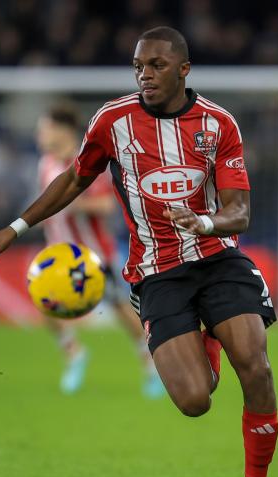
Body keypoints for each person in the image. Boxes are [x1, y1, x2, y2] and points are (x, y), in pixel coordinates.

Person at [0, 26, 278, 477]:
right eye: (139, 67)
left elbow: (239, 211)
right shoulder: (113, 121)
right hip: (157, 271)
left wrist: (204, 222)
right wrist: (15, 228)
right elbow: (74, 178)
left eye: (157, 65)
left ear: (184, 69)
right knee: (195, 400)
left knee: (257, 367)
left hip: (218, 258)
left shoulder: (218, 123)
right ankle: (209, 340)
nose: (145, 75)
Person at [36, 103, 164, 397]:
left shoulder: (88, 162)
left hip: (93, 254)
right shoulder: (45, 164)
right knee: (44, 302)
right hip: (59, 254)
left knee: (121, 309)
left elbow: (106, 205)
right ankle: (74, 353)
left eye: (45, 129)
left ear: (63, 130)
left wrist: (73, 202)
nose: (39, 135)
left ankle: (149, 362)